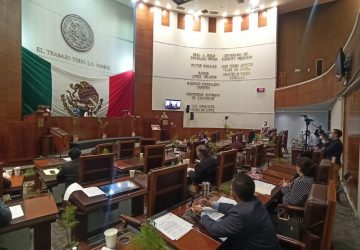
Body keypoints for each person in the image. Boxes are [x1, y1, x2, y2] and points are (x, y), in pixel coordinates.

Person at [192, 173, 280, 250]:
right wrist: (211, 204)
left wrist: (202, 213)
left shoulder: (241, 214)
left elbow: (215, 229)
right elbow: (234, 208)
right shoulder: (255, 201)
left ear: (233, 195)